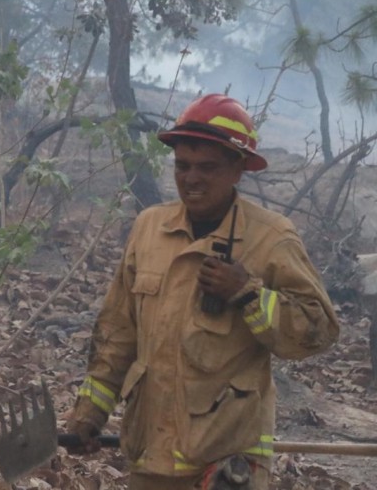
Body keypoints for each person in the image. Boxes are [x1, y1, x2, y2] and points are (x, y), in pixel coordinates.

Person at [66, 94, 339, 490]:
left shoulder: (271, 238)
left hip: (229, 463)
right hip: (151, 454)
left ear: (238, 170)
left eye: (207, 167)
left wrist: (248, 294)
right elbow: (117, 333)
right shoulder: (149, 228)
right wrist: (90, 411)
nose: (191, 178)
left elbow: (320, 330)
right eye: (182, 166)